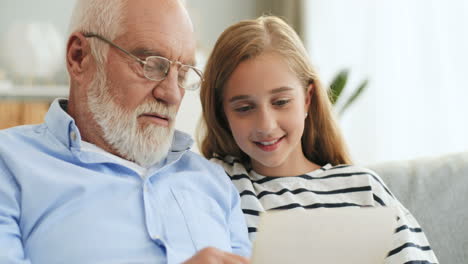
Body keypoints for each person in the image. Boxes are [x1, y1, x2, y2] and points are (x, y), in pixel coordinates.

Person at [0, 0, 251, 263]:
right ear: (79, 57)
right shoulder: (9, 165)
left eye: (182, 74)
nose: (172, 94)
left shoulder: (214, 182)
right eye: (151, 65)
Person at [198, 15, 439, 264]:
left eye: (281, 102)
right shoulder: (217, 185)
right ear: (222, 113)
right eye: (245, 108)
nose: (266, 125)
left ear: (307, 99)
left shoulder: (364, 188)